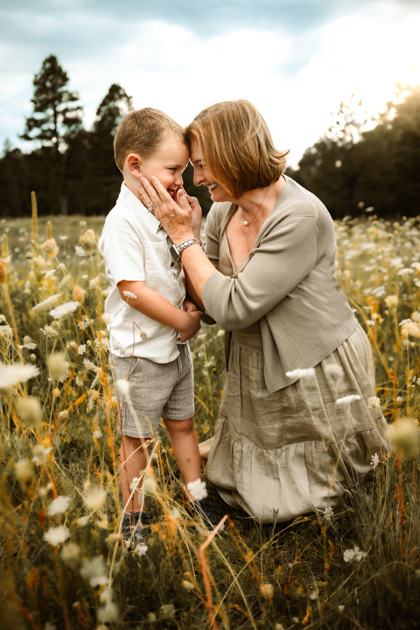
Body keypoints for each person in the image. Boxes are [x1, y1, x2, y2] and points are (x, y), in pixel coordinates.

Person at [136, 99, 389, 524]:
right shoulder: (221, 212)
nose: (197, 179)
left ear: (232, 155)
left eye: (202, 165)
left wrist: (183, 238)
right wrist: (194, 240)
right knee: (246, 485)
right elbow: (209, 303)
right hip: (254, 360)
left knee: (323, 498)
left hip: (312, 358)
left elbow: (234, 308)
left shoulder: (300, 215)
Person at [98, 108, 221, 540]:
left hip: (172, 348)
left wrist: (192, 229)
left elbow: (177, 271)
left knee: (184, 425)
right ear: (135, 165)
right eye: (173, 169)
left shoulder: (161, 214)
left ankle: (198, 497)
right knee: (138, 440)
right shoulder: (123, 222)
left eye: (184, 171)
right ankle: (133, 518)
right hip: (141, 354)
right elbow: (133, 289)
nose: (180, 181)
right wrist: (183, 323)